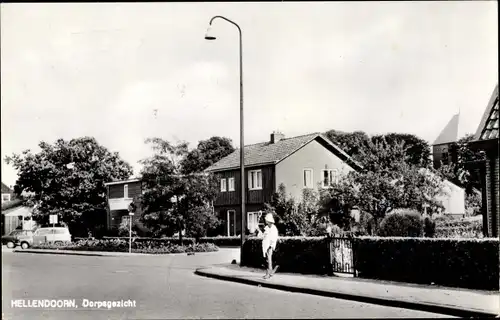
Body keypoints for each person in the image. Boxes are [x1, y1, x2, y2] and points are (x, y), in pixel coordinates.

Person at [257, 213, 279, 279]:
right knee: (266, 260)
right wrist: (259, 231)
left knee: (268, 259)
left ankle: (268, 274)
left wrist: (271, 246)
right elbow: (261, 236)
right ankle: (269, 273)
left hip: (270, 246)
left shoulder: (274, 229)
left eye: (266, 220)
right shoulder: (266, 228)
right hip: (265, 246)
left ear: (269, 221)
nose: (266, 221)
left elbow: (274, 238)